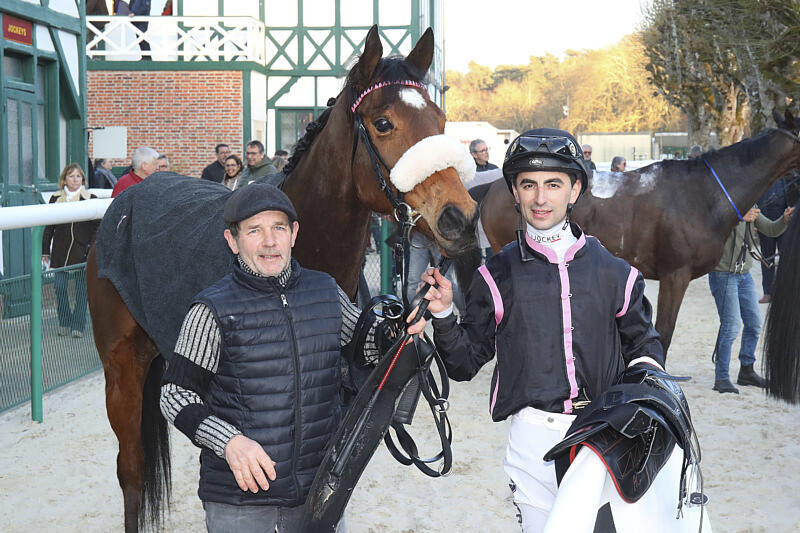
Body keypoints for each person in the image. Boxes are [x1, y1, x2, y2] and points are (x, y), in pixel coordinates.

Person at [420, 128, 664, 531]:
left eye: (553, 184)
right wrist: (444, 314)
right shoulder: (494, 275)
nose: (540, 198)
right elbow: (463, 365)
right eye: (528, 185)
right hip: (532, 440)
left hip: (604, 436)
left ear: (574, 190)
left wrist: (643, 392)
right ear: (514, 193)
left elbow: (645, 346)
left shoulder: (616, 273)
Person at [160, 182, 426, 532]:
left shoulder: (326, 291)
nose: (269, 241)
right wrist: (228, 442)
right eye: (254, 230)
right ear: (232, 241)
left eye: (278, 228)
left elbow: (367, 349)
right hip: (240, 500)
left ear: (294, 234)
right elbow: (175, 394)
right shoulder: (212, 308)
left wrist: (405, 328)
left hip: (320, 491)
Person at [708, 204, 793, 393]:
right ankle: (721, 378)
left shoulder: (751, 203)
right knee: (731, 326)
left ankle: (746, 371)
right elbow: (712, 226)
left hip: (744, 274)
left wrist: (785, 219)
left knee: (754, 324)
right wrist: (739, 217)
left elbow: (771, 229)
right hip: (723, 274)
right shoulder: (723, 202)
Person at [42, 164, 100, 338]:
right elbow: (49, 226)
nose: (75, 180)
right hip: (60, 252)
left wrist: (90, 248)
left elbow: (97, 228)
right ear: (64, 179)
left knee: (81, 292)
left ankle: (78, 325)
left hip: (82, 251)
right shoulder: (55, 198)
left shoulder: (90, 198)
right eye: (71, 176)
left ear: (83, 179)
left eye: (78, 176)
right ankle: (64, 321)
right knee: (60, 288)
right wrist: (45, 250)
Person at [466, 139, 504, 260]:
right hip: (474, 222)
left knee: (493, 257)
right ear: (474, 154)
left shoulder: (495, 169)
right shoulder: (469, 173)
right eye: (482, 151)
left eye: (487, 149)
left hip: (493, 220)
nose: (486, 153)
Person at [755, 175, 790, 303]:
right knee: (766, 257)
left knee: (785, 258)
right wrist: (754, 222)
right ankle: (768, 292)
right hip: (764, 221)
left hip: (784, 222)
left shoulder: (788, 176)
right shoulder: (762, 178)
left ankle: (785, 292)